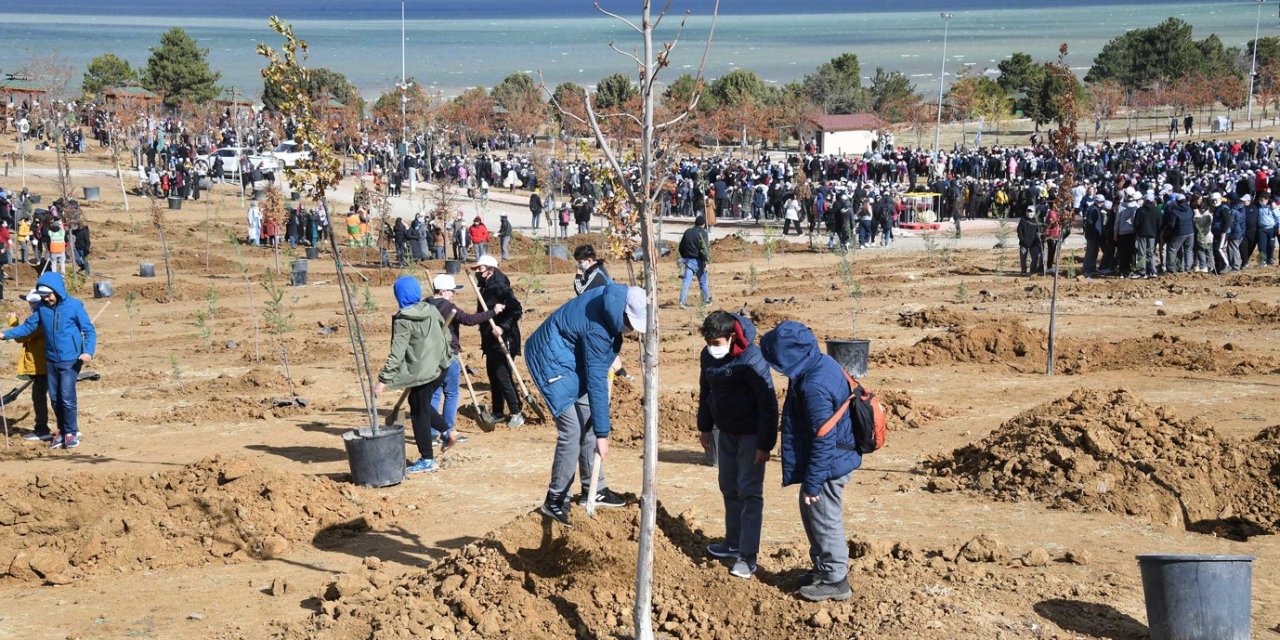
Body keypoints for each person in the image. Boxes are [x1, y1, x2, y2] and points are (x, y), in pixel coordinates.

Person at [759, 320, 861, 602]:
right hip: (830, 459)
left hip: (829, 464)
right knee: (815, 517)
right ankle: (823, 568)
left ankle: (835, 580)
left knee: (824, 517)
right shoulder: (818, 363)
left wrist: (814, 483)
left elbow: (824, 438)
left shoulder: (814, 385)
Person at [525, 284, 643, 526]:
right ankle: (556, 499)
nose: (631, 330)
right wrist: (603, 434)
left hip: (571, 355)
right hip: (551, 361)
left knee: (588, 419)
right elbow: (596, 380)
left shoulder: (614, 301)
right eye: (631, 325)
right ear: (623, 315)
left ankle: (595, 488)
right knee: (572, 430)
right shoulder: (597, 330)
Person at [697, 310, 778, 579]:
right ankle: (733, 543)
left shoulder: (752, 360)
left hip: (751, 434)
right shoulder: (707, 356)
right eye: (709, 343)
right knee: (729, 487)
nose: (712, 349)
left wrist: (764, 444)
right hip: (725, 432)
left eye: (717, 343)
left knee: (749, 492)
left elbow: (768, 404)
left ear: (732, 337)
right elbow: (706, 391)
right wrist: (705, 427)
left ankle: (747, 556)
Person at [2, 273, 96, 450]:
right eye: (44, 297)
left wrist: (88, 352)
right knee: (54, 399)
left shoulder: (74, 306)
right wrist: (5, 334)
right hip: (51, 359)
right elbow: (28, 327)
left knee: (66, 397)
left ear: (57, 291)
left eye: (49, 296)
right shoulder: (41, 308)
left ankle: (71, 432)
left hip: (71, 359)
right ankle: (62, 431)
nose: (47, 299)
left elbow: (89, 330)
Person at [372, 276, 454, 474]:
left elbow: (397, 352)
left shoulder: (404, 320)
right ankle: (449, 432)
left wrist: (383, 380)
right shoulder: (431, 309)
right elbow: (447, 336)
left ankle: (427, 459)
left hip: (424, 372)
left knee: (418, 413)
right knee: (420, 403)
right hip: (441, 367)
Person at [426, 273, 502, 441]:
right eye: (452, 291)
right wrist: (492, 312)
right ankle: (448, 431)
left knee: (435, 394)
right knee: (452, 393)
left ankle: (432, 433)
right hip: (448, 355)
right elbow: (469, 319)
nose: (453, 294)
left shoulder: (424, 305)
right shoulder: (447, 307)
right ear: (444, 291)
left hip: (429, 357)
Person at [473, 255, 525, 427]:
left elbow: (516, 309)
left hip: (505, 338)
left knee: (503, 376)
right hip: (490, 339)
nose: (477, 273)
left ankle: (516, 412)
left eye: (479, 269)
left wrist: (502, 327)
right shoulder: (485, 287)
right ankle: (498, 411)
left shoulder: (500, 286)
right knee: (493, 375)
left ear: (490, 270)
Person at [9, 291, 49, 442]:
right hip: (44, 364)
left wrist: (12, 322)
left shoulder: (38, 319)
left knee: (39, 397)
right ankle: (68, 430)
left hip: (41, 365)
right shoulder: (45, 315)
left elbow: (21, 336)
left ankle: (42, 430)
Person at [678, 215, 712, 308]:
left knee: (686, 282)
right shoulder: (703, 233)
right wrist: (706, 262)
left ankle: (682, 301)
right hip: (699, 262)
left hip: (689, 260)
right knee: (703, 282)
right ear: (703, 224)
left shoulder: (687, 232)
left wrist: (684, 257)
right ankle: (706, 301)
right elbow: (704, 249)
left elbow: (681, 247)